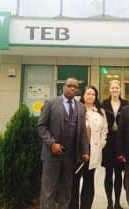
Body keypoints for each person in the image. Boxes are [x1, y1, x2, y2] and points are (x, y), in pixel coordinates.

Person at [38, 77, 90, 209]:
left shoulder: (81, 107)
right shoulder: (50, 103)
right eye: (69, 85)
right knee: (49, 191)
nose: (72, 88)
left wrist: (85, 151)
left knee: (66, 191)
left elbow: (83, 131)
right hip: (52, 156)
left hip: (71, 157)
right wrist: (51, 144)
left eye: (75, 87)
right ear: (63, 86)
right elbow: (41, 126)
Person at [70, 85, 108, 209]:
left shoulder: (100, 112)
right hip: (78, 151)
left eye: (93, 94)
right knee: (74, 181)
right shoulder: (76, 109)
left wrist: (101, 144)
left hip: (93, 150)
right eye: (88, 94)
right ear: (83, 96)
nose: (91, 96)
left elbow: (104, 131)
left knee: (89, 180)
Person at [101, 80, 129, 209]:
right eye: (113, 88)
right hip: (108, 142)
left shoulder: (126, 105)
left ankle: (117, 202)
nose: (115, 90)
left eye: (117, 88)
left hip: (121, 142)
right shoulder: (104, 104)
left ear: (120, 89)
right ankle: (109, 203)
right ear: (109, 89)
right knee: (108, 173)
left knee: (118, 173)